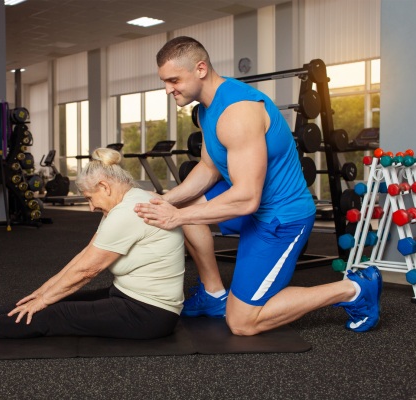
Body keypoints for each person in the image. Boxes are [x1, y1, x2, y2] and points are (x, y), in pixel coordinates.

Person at [134, 36, 382, 335]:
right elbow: (208, 167)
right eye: (164, 81)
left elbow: (246, 199)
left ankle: (354, 289)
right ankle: (214, 295)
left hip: (281, 218)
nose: (168, 89)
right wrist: (167, 199)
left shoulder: (237, 113)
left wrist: (175, 216)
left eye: (173, 80)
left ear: (200, 68)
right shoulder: (204, 110)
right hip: (252, 205)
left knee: (242, 323)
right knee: (183, 204)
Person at [0, 148, 185, 340]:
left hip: (149, 315)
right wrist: (43, 293)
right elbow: (86, 255)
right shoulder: (127, 201)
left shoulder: (129, 211)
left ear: (104, 186)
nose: (91, 206)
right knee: (58, 300)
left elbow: (88, 271)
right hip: (129, 296)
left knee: (55, 313)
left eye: (89, 198)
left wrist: (44, 302)